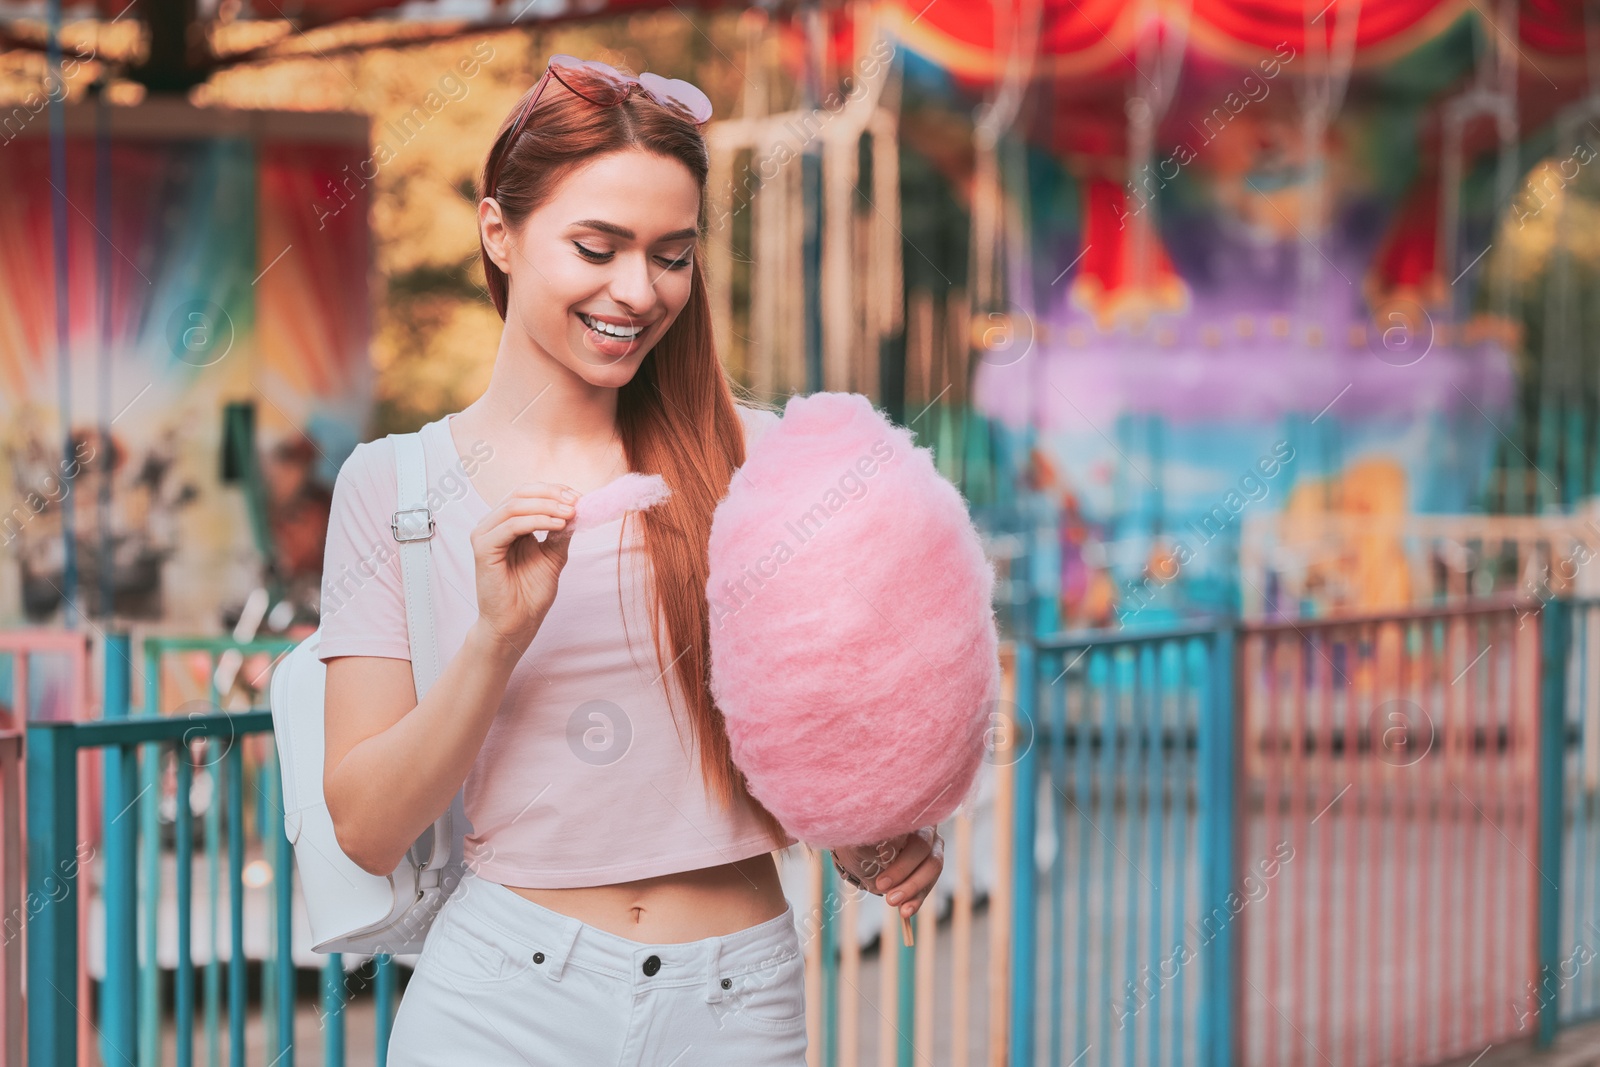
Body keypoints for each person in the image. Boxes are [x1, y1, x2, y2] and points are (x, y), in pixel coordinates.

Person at [317, 54, 945, 1065]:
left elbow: (814, 727)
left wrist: (869, 829)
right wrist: (494, 639)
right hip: (496, 1002)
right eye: (597, 245)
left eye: (671, 254)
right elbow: (368, 826)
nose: (637, 289)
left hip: (735, 999)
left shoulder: (763, 458)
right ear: (498, 232)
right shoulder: (394, 488)